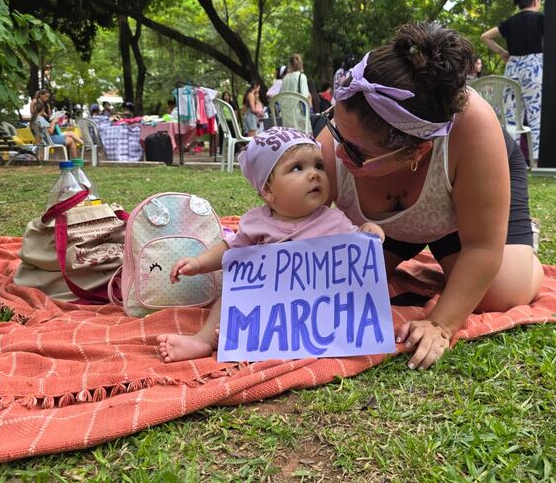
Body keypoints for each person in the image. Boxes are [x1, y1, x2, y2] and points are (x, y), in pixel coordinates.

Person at [318, 22, 543, 371]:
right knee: (344, 283)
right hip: (386, 225)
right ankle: (412, 242)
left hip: (463, 201)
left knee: (501, 292)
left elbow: (482, 248)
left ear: (416, 152)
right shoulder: (339, 141)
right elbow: (296, 227)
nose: (337, 154)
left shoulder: (475, 129)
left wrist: (441, 324)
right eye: (335, 129)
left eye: (356, 152)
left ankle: (515, 238)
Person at [157, 127, 385, 362]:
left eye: (318, 166)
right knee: (225, 302)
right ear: (268, 190)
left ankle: (246, 338)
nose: (314, 174)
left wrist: (367, 233)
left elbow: (353, 251)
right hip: (269, 307)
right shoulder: (257, 223)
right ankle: (204, 340)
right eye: (298, 168)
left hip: (313, 307)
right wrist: (199, 263)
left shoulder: (333, 221)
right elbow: (230, 249)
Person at [481, 0, 544, 166]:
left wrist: (502, 52)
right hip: (534, 68)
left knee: (512, 116)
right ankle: (536, 161)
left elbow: (485, 36)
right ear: (536, 0)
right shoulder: (541, 18)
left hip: (513, 68)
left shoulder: (510, 22)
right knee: (536, 114)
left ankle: (512, 161)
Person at [29, 89, 83, 159]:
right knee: (71, 139)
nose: (47, 99)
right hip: (49, 140)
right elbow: (51, 132)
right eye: (46, 96)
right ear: (42, 110)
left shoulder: (33, 121)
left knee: (70, 135)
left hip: (43, 140)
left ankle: (80, 147)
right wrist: (54, 122)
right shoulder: (41, 120)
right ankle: (76, 159)